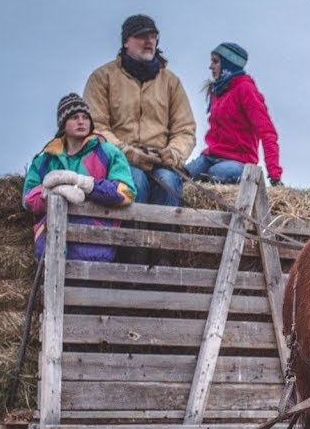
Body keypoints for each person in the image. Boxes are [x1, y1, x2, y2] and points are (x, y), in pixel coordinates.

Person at [83, 13, 196, 206]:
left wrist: (173, 153)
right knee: (135, 181)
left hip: (161, 161)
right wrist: (127, 153)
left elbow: (185, 129)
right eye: (142, 37)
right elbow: (96, 127)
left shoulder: (171, 82)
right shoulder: (103, 78)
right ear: (126, 41)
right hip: (120, 160)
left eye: (153, 37)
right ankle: (131, 237)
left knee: (168, 182)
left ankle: (167, 236)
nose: (149, 41)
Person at [22, 93, 136, 261]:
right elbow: (28, 199)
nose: (81, 121)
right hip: (52, 251)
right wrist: (49, 193)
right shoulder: (45, 160)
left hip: (95, 245)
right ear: (63, 124)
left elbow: (126, 192)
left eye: (85, 117)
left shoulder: (109, 153)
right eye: (74, 117)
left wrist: (87, 185)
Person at [185, 42, 283, 186]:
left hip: (238, 161)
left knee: (217, 174)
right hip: (211, 156)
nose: (210, 66)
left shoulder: (246, 89)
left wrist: (274, 174)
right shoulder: (217, 91)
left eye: (215, 61)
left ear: (228, 64)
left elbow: (267, 132)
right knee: (181, 176)